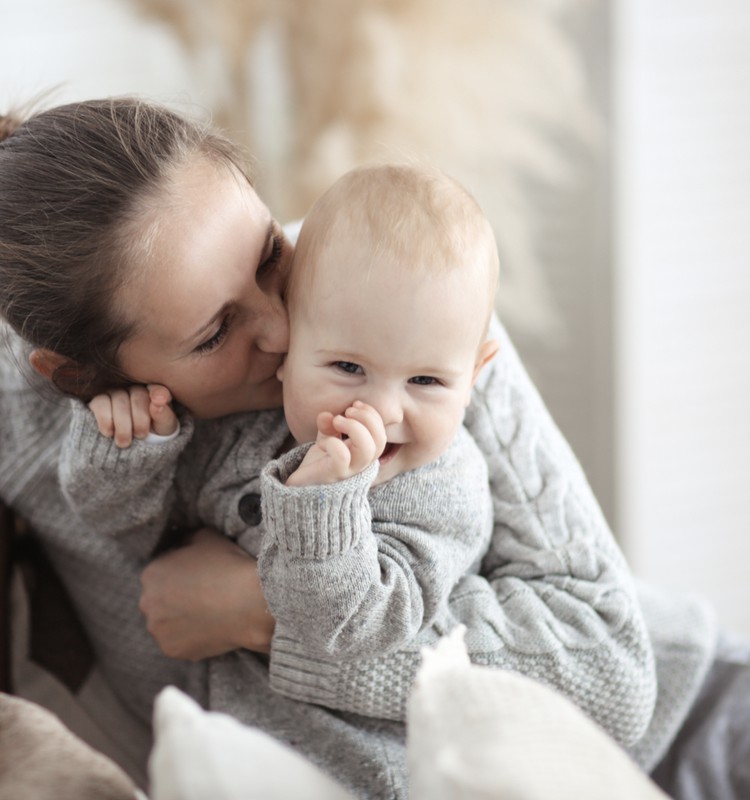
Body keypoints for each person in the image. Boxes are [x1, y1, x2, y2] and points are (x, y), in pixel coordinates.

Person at [0, 96, 740, 800]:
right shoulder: (81, 441)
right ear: (80, 376)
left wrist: (263, 616)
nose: (288, 333)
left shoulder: (391, 289)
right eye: (215, 333)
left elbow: (611, 669)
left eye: (268, 256)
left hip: (688, 725)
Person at [80, 162, 500, 661]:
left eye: (426, 381)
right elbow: (133, 535)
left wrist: (322, 505)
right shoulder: (244, 428)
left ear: (473, 376)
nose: (383, 410)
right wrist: (137, 444)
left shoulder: (444, 492)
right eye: (347, 366)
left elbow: (354, 631)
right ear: (288, 349)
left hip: (359, 741)